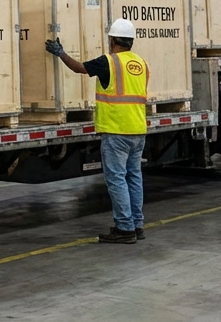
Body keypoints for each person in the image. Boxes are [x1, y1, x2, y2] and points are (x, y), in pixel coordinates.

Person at [45, 18, 148, 244]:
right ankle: (137, 225)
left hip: (116, 130)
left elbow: (79, 68)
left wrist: (60, 53)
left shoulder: (109, 62)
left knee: (117, 179)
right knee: (134, 177)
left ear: (112, 40)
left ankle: (124, 228)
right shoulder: (141, 63)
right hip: (138, 130)